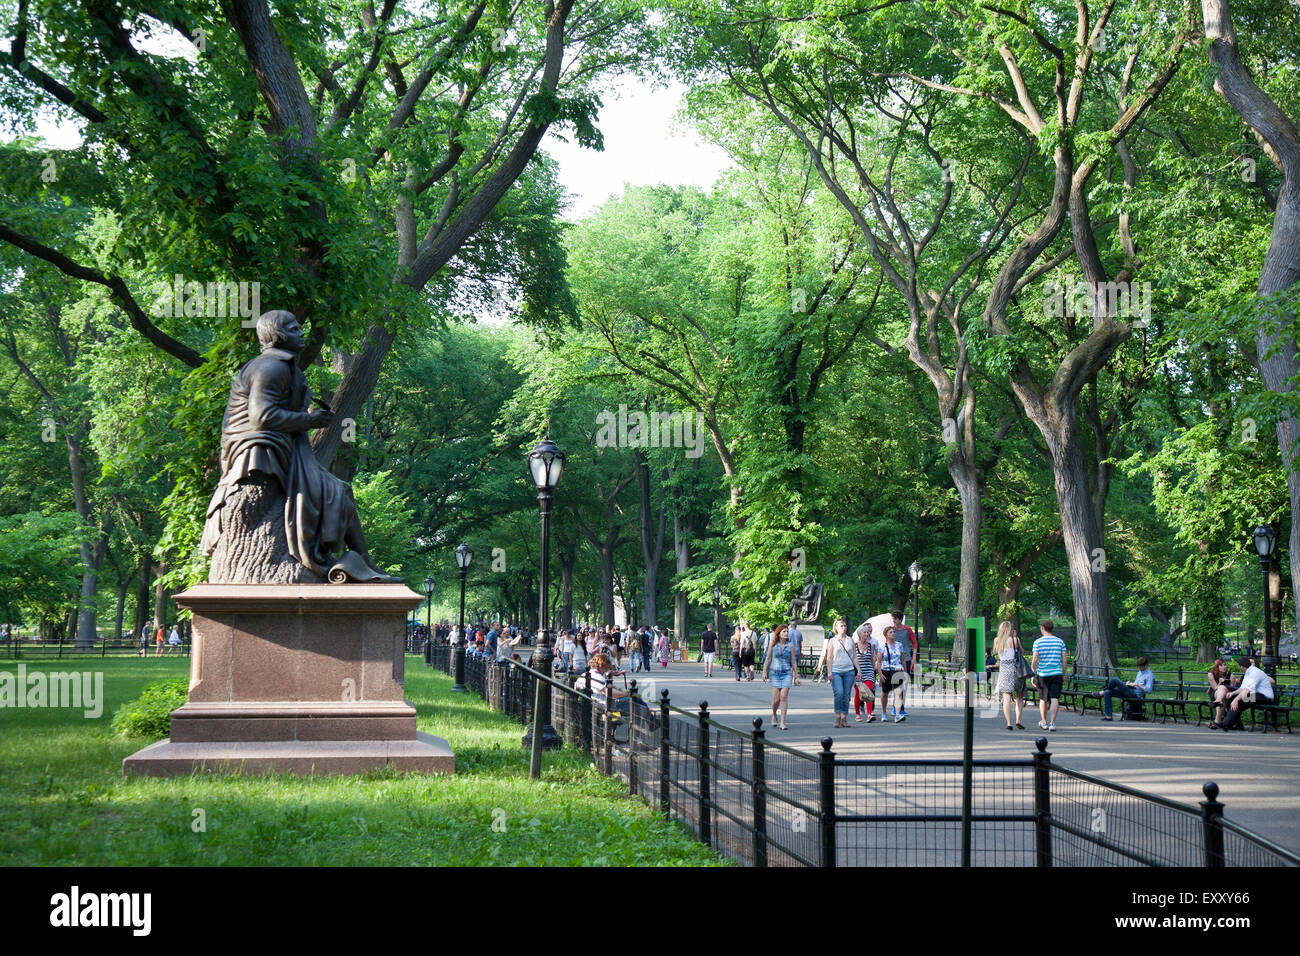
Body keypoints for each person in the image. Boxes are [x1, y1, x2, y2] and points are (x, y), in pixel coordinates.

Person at [1219, 656, 1275, 731]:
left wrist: (1236, 700)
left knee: (1239, 700)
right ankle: (1237, 725)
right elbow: (1242, 688)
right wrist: (1233, 693)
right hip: (1256, 695)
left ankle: (1226, 723)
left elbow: (1247, 690)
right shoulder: (1248, 672)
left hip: (1265, 697)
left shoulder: (1255, 672)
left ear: (1241, 666)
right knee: (1230, 698)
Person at [826, 617, 862, 728]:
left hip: (849, 671)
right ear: (836, 627)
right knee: (839, 693)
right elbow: (829, 658)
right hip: (836, 671)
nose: (844, 628)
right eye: (841, 626)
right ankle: (837, 716)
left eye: (845, 626)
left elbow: (854, 657)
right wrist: (829, 672)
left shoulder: (850, 640)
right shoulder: (832, 641)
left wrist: (859, 671)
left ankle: (844, 718)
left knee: (846, 695)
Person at [1032, 620, 1067, 732]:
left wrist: (1033, 673)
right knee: (1054, 698)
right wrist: (1063, 674)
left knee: (1043, 698)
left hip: (1043, 674)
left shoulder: (1038, 642)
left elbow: (1034, 661)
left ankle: (1044, 722)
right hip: (1056, 673)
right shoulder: (1060, 642)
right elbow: (1064, 660)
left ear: (1042, 628)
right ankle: (1053, 723)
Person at [763, 623, 799, 729]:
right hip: (774, 674)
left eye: (787, 631)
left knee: (783, 697)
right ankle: (774, 715)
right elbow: (768, 659)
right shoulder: (773, 645)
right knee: (776, 699)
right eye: (784, 631)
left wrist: (795, 676)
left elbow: (793, 661)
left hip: (786, 673)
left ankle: (783, 722)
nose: (786, 633)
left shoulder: (791, 646)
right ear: (778, 633)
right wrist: (765, 671)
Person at [993, 621, 1026, 731]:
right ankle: (1018, 720)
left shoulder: (997, 641)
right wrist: (1016, 637)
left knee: (1006, 697)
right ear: (1010, 629)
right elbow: (1022, 651)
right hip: (1016, 669)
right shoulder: (1014, 640)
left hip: (1004, 670)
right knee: (1019, 696)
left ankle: (1008, 723)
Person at [877, 625, 909, 722]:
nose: (893, 634)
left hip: (898, 670)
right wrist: (880, 674)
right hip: (886, 670)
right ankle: (883, 713)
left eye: (893, 632)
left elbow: (903, 660)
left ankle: (898, 714)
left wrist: (905, 672)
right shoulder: (882, 647)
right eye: (890, 632)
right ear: (886, 635)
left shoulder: (899, 645)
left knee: (898, 693)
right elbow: (879, 662)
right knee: (885, 693)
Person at [852, 624, 877, 723]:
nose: (867, 634)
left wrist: (874, 671)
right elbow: (853, 659)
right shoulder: (854, 645)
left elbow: (872, 659)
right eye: (864, 632)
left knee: (868, 692)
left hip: (869, 672)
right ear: (859, 634)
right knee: (859, 694)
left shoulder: (871, 645)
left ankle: (869, 714)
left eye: (868, 632)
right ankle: (857, 714)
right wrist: (855, 672)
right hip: (858, 673)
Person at [1207, 659, 1236, 728]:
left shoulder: (1230, 675)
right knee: (1221, 689)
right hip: (1215, 694)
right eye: (1221, 665)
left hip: (1227, 695)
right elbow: (1215, 688)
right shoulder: (1211, 674)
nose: (1224, 667)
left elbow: (1232, 688)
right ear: (1217, 667)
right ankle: (1218, 701)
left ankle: (1216, 722)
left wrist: (1234, 682)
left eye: (1225, 664)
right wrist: (1220, 682)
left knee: (1222, 699)